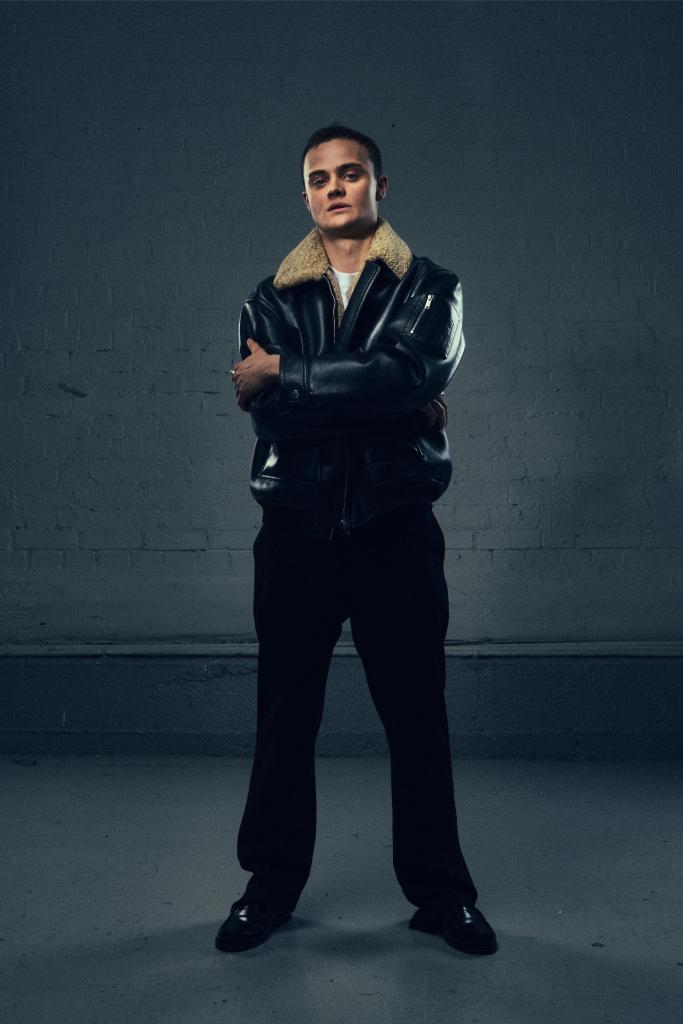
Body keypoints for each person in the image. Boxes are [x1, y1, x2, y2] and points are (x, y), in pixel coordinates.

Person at [215, 123, 497, 956]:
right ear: (306, 194)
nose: (334, 187)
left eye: (349, 173)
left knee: (416, 718)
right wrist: (387, 402)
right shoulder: (268, 299)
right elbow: (271, 417)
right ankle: (268, 889)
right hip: (295, 532)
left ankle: (442, 896)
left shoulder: (430, 288)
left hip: (393, 529)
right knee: (283, 718)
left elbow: (408, 373)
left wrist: (290, 372)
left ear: (379, 186)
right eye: (319, 177)